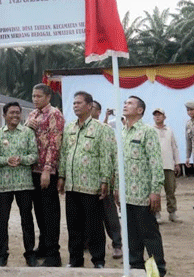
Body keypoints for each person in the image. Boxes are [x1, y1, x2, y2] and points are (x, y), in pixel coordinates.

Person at [58, 92, 111, 268]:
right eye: (74, 103)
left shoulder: (100, 128)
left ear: (89, 106)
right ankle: (75, 260)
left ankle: (98, 260)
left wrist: (105, 180)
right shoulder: (69, 128)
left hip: (91, 186)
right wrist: (62, 176)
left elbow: (105, 155)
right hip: (72, 185)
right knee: (73, 225)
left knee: (94, 225)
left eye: (79, 103)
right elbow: (64, 154)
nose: (75, 106)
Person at [116, 96, 166, 276]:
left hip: (143, 195)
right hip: (126, 194)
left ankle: (157, 270)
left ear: (139, 110)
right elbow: (118, 163)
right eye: (125, 102)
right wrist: (117, 188)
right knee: (130, 236)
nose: (125, 105)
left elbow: (155, 162)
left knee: (149, 235)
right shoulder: (121, 132)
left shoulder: (147, 131)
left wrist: (155, 191)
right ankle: (135, 268)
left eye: (129, 103)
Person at [0, 102, 38, 267]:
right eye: (12, 113)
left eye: (18, 113)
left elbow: (34, 155)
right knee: (2, 221)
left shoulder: (28, 133)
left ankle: (30, 254)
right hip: (4, 185)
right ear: (4, 115)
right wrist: (6, 160)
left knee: (27, 220)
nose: (15, 116)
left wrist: (22, 159)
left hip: (24, 184)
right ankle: (1, 255)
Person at [25, 83, 64, 267]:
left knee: (50, 213)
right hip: (31, 170)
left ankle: (53, 254)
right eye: (33, 96)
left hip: (46, 172)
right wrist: (26, 125)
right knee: (38, 212)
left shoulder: (54, 114)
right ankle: (43, 245)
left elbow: (54, 143)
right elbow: (24, 136)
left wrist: (48, 169)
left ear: (48, 97)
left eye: (39, 96)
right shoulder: (32, 115)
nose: (35, 99)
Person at [91, 101, 122, 259]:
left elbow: (112, 156)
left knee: (109, 215)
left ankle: (117, 244)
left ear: (98, 111)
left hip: (104, 180)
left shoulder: (106, 129)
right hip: (86, 181)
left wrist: (112, 179)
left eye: (92, 109)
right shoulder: (79, 129)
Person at [152, 108, 181, 223]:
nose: (157, 117)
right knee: (155, 191)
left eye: (160, 115)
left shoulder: (169, 130)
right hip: (155, 166)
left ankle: (172, 212)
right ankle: (156, 213)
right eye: (155, 115)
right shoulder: (150, 130)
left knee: (170, 190)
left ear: (164, 117)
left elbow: (174, 147)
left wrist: (177, 163)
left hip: (168, 164)